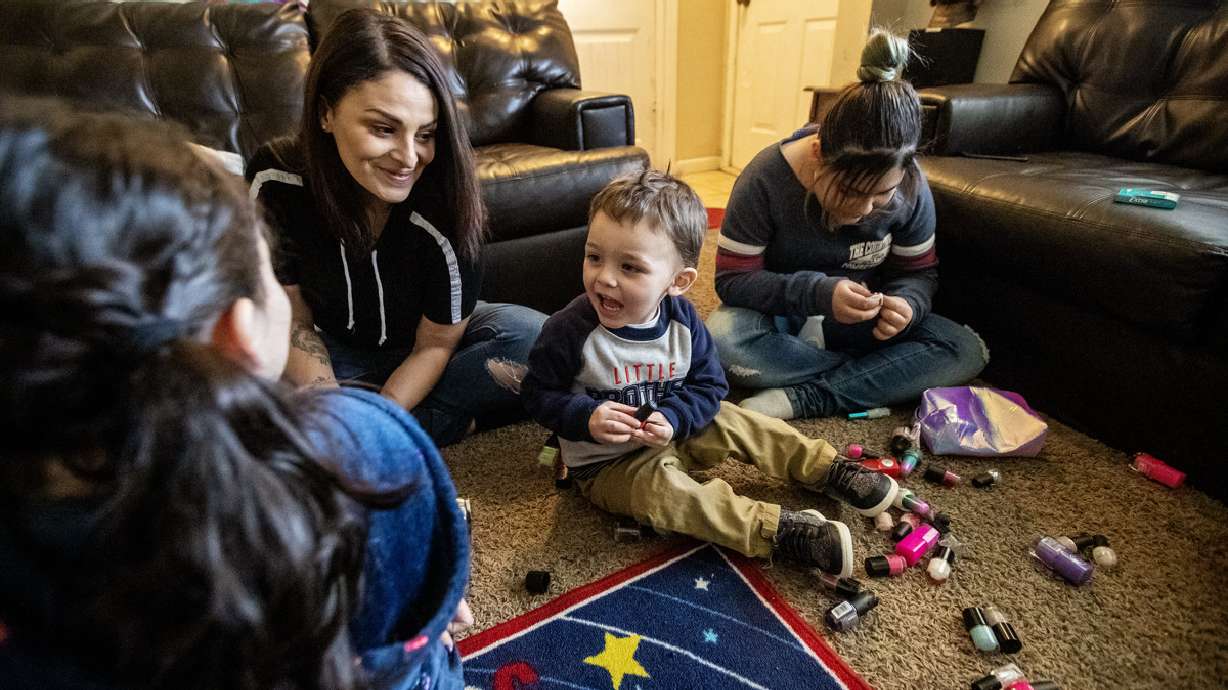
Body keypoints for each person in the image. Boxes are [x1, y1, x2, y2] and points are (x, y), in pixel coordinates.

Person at [0, 100, 470, 690]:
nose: (408, 154)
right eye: (270, 271)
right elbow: (421, 599)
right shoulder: (369, 445)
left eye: (424, 135)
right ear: (238, 330)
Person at [521, 170, 900, 577]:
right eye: (594, 257)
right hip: (608, 465)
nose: (604, 277)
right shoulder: (567, 330)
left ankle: (826, 468)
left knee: (735, 417)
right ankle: (778, 531)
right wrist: (585, 416)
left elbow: (710, 384)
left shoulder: (683, 321)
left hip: (678, 429)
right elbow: (537, 394)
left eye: (630, 267)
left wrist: (676, 417)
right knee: (670, 498)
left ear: (678, 281)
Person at [247, 9, 546, 446]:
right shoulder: (276, 178)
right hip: (331, 351)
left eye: (425, 134)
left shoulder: (448, 203)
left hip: (429, 348)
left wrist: (371, 421)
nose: (409, 158)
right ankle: (439, 422)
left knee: (535, 341)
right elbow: (293, 320)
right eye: (384, 128)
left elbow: (435, 346)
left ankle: (398, 424)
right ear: (326, 113)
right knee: (232, 379)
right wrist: (331, 410)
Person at [707, 28, 987, 421]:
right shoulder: (765, 179)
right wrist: (818, 292)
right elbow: (733, 280)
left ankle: (806, 396)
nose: (863, 209)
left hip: (863, 327)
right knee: (723, 342)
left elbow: (919, 273)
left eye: (881, 195)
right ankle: (876, 377)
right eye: (850, 191)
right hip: (785, 319)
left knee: (965, 349)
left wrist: (907, 304)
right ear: (819, 154)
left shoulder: (912, 185)